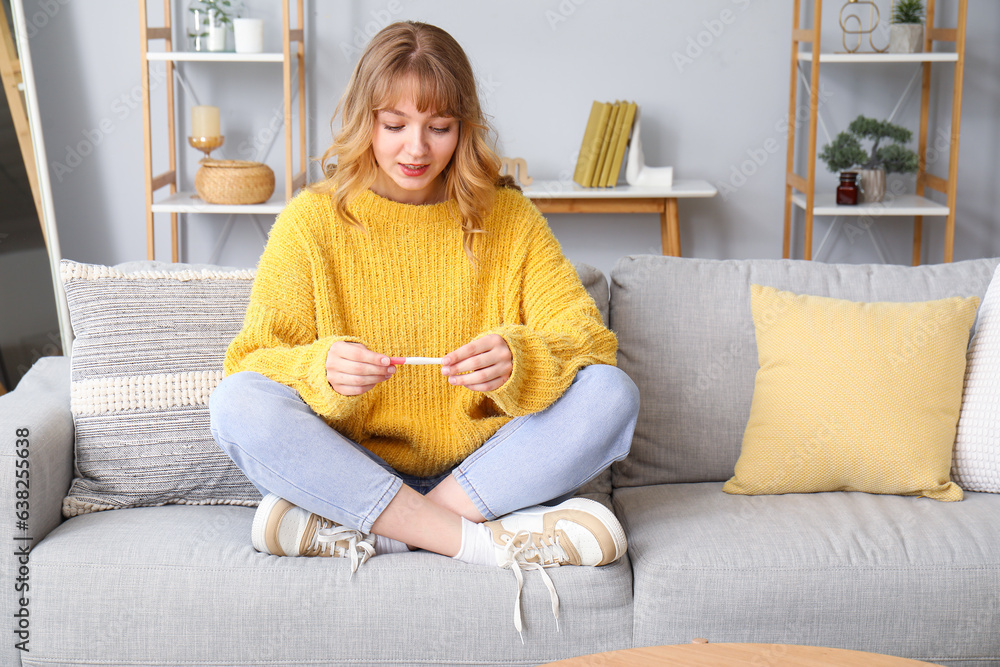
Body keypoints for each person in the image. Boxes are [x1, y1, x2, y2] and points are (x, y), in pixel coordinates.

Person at [208, 20, 639, 636]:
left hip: (487, 474)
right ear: (365, 122)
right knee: (234, 405)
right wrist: (317, 367)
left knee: (611, 395)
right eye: (395, 126)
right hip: (354, 466)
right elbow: (250, 361)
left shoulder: (508, 218)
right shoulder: (311, 223)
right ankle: (472, 541)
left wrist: (522, 359)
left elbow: (590, 343)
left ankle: (387, 531)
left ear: (464, 128)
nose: (417, 149)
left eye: (439, 128)